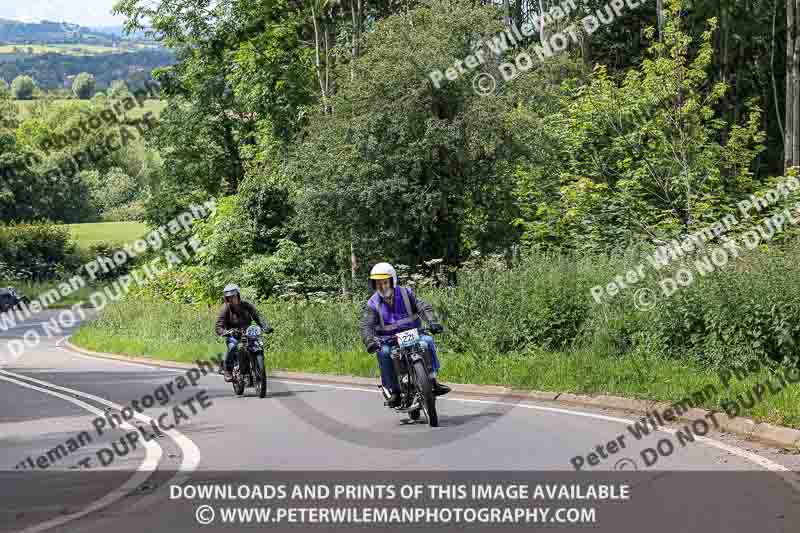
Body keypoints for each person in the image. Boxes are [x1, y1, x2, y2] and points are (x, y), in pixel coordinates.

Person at [359, 262, 451, 408]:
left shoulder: (406, 293)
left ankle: (433, 380)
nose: (382, 287)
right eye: (378, 284)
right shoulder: (372, 303)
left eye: (385, 282)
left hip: (413, 334)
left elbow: (423, 307)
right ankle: (394, 391)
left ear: (392, 281)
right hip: (388, 340)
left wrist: (433, 322)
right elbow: (366, 325)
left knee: (427, 341)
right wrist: (369, 340)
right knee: (384, 353)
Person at [215, 284, 273, 383]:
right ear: (226, 298)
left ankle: (255, 368)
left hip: (248, 332)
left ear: (238, 295)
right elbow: (218, 326)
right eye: (229, 297)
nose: (232, 299)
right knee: (233, 346)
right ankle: (227, 369)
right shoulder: (226, 309)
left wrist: (265, 326)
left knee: (258, 345)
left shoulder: (246, 305)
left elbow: (257, 316)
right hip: (233, 333)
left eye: (233, 296)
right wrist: (225, 332)